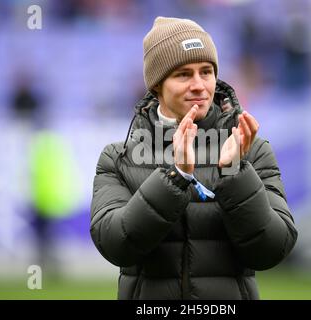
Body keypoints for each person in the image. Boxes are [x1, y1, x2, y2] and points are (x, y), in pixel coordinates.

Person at [90, 16, 298, 300]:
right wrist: (175, 177)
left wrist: (234, 173)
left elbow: (272, 250)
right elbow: (117, 244)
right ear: (157, 85)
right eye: (184, 74)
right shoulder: (119, 158)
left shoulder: (252, 150)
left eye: (207, 71)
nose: (199, 85)